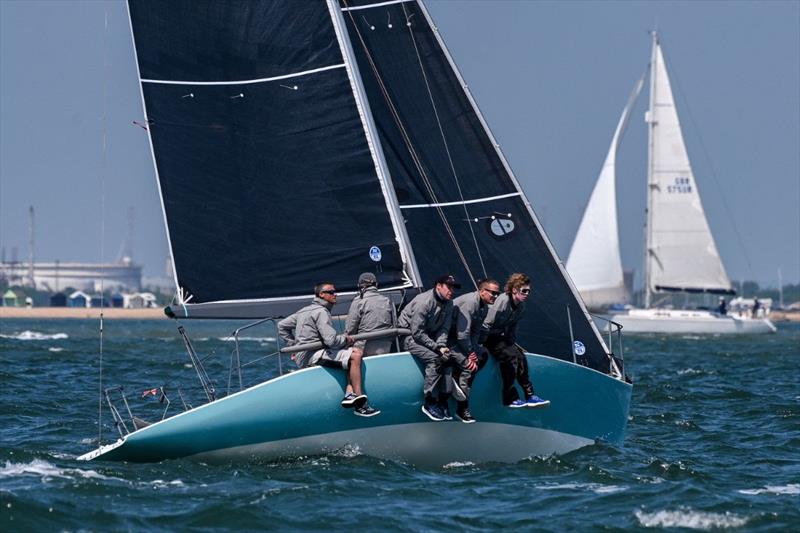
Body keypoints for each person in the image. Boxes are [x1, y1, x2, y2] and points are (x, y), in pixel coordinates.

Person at [278, 282, 379, 417]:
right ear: (321, 294)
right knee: (356, 354)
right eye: (331, 292)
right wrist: (345, 339)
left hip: (305, 355)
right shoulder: (321, 311)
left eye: (335, 292)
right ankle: (361, 404)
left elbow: (281, 326)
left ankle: (349, 394)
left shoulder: (305, 310)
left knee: (348, 354)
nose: (335, 295)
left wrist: (294, 347)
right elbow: (331, 340)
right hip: (312, 355)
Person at [398, 274, 461, 422]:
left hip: (427, 337)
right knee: (435, 360)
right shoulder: (424, 302)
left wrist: (442, 346)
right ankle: (430, 401)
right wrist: (436, 348)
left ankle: (443, 399)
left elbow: (444, 329)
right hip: (409, 337)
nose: (451, 291)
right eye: (448, 287)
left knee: (447, 358)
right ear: (438, 286)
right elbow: (417, 332)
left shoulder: (449, 303)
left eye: (453, 288)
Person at [483, 273, 549, 408]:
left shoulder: (521, 307)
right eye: (524, 291)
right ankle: (510, 398)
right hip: (486, 336)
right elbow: (486, 324)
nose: (527, 294)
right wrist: (478, 344)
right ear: (514, 290)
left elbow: (512, 328)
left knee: (520, 356)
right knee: (511, 358)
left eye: (529, 291)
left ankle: (530, 395)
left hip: (499, 337)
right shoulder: (502, 301)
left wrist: (511, 344)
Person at [448, 278, 501, 423]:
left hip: (461, 342)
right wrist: (470, 354)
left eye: (498, 294)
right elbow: (462, 335)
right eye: (493, 293)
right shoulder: (471, 303)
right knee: (469, 367)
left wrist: (476, 350)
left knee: (483, 355)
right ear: (482, 291)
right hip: (448, 341)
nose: (495, 297)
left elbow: (475, 333)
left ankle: (458, 381)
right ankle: (462, 408)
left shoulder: (483, 307)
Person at [345, 272, 397, 356]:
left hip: (364, 347)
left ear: (359, 286)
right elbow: (395, 324)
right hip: (386, 346)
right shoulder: (388, 300)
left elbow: (350, 328)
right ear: (376, 284)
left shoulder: (358, 301)